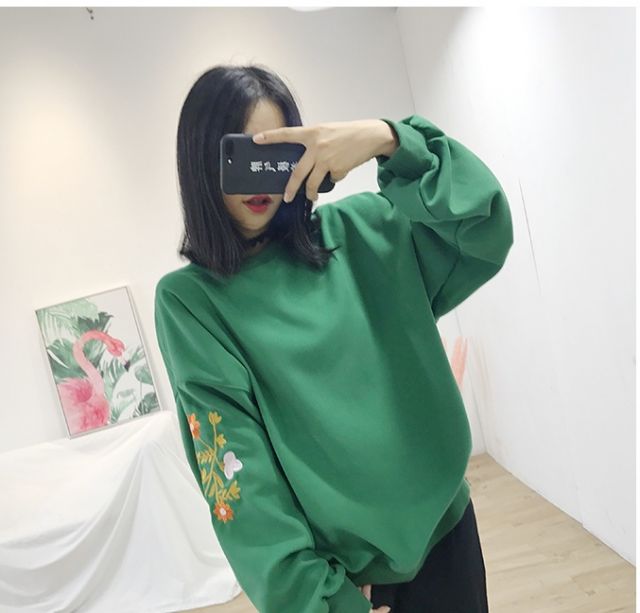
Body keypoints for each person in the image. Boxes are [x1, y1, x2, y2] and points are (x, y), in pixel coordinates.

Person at [154, 63, 513, 613]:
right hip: (350, 585)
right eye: (238, 156)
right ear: (201, 161)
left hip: (449, 537)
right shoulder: (192, 304)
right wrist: (322, 602)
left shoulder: (368, 228)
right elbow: (241, 486)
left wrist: (388, 139)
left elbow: (483, 224)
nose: (259, 179)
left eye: (274, 153)